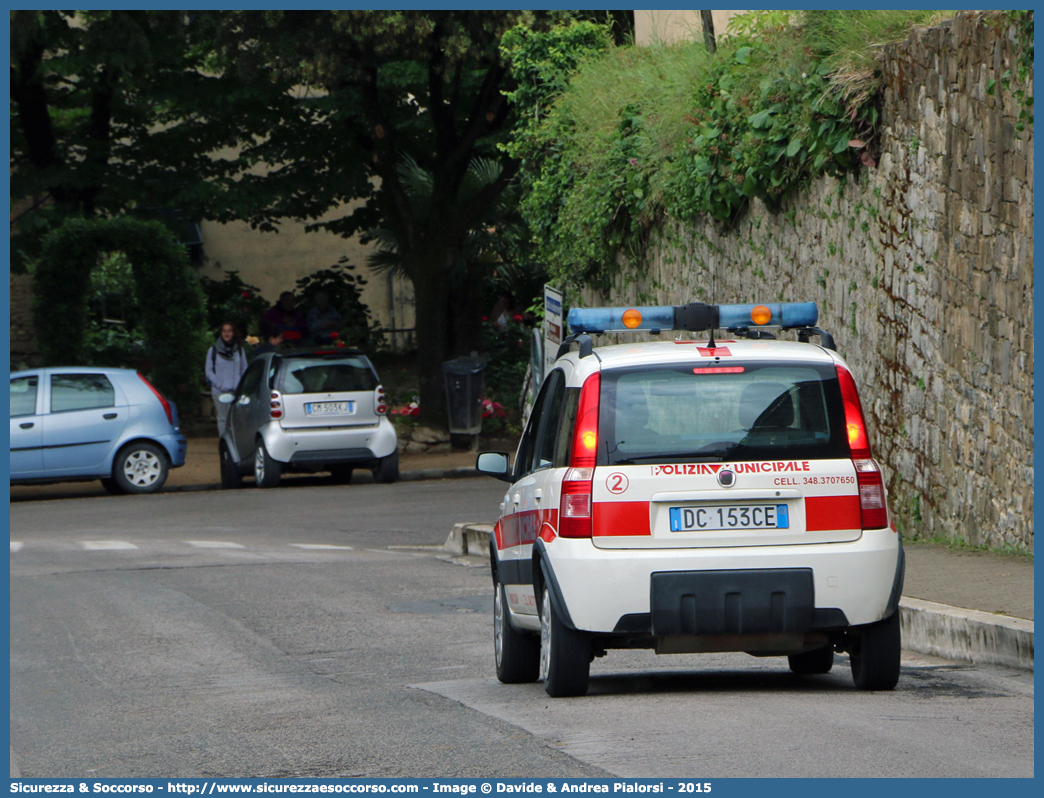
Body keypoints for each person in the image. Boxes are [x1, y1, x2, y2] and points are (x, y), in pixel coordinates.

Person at [205, 322, 248, 437]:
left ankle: (235, 442)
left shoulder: (239, 350)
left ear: (233, 333)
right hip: (220, 391)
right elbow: (209, 371)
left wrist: (240, 385)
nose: (226, 333)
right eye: (224, 331)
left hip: (236, 391)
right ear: (221, 333)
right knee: (223, 418)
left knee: (236, 418)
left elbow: (244, 368)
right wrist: (220, 385)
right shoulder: (213, 350)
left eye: (229, 331)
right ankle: (224, 442)